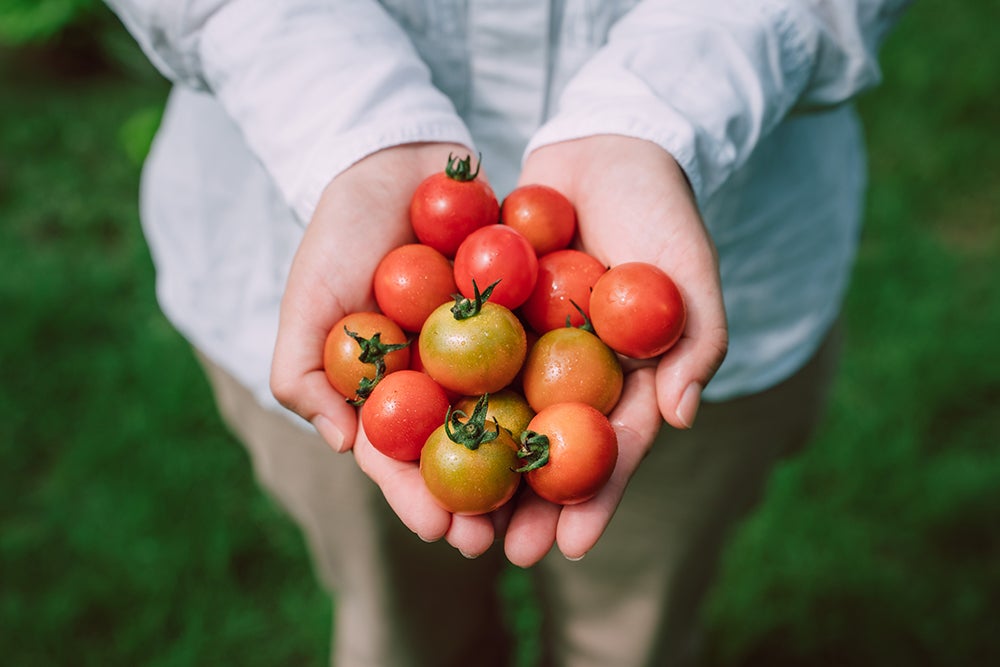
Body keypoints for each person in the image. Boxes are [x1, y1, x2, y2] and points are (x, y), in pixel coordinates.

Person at [107, 1, 910, 664]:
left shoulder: (514, 340)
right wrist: (350, 128)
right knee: (400, 629)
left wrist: (664, 116)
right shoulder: (435, 346)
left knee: (637, 631)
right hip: (289, 241)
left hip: (733, 239)